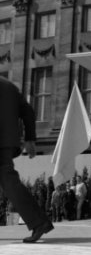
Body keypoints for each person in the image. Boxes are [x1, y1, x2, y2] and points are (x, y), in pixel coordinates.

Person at [0, 75, 54, 243]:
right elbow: (28, 111)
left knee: (9, 182)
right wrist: (30, 138)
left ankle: (39, 223)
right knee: (9, 181)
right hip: (7, 143)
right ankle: (39, 222)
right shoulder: (9, 85)